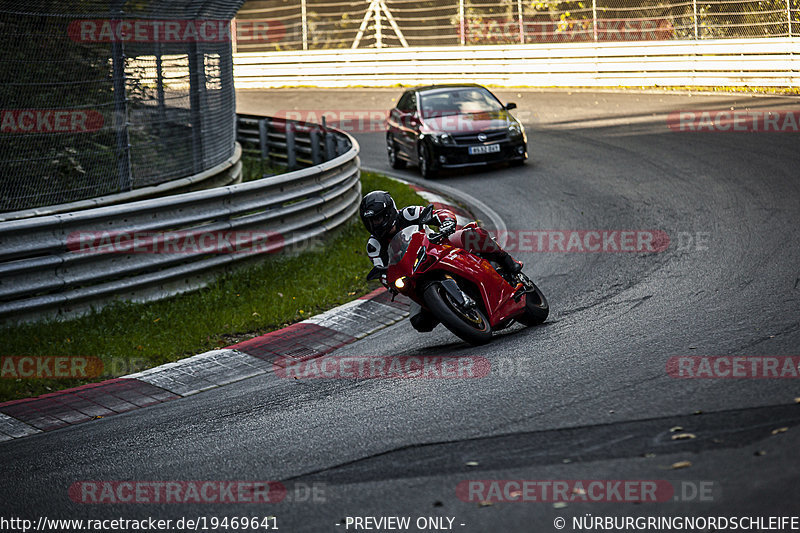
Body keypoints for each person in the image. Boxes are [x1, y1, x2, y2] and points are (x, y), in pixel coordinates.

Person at [359, 190, 523, 281]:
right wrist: (385, 277)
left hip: (439, 247)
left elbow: (439, 213)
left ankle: (507, 260)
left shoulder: (408, 214)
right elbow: (381, 269)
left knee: (473, 234)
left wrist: (447, 223)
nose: (375, 224)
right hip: (416, 276)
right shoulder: (374, 246)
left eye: (378, 218)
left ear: (388, 213)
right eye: (371, 221)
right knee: (419, 322)